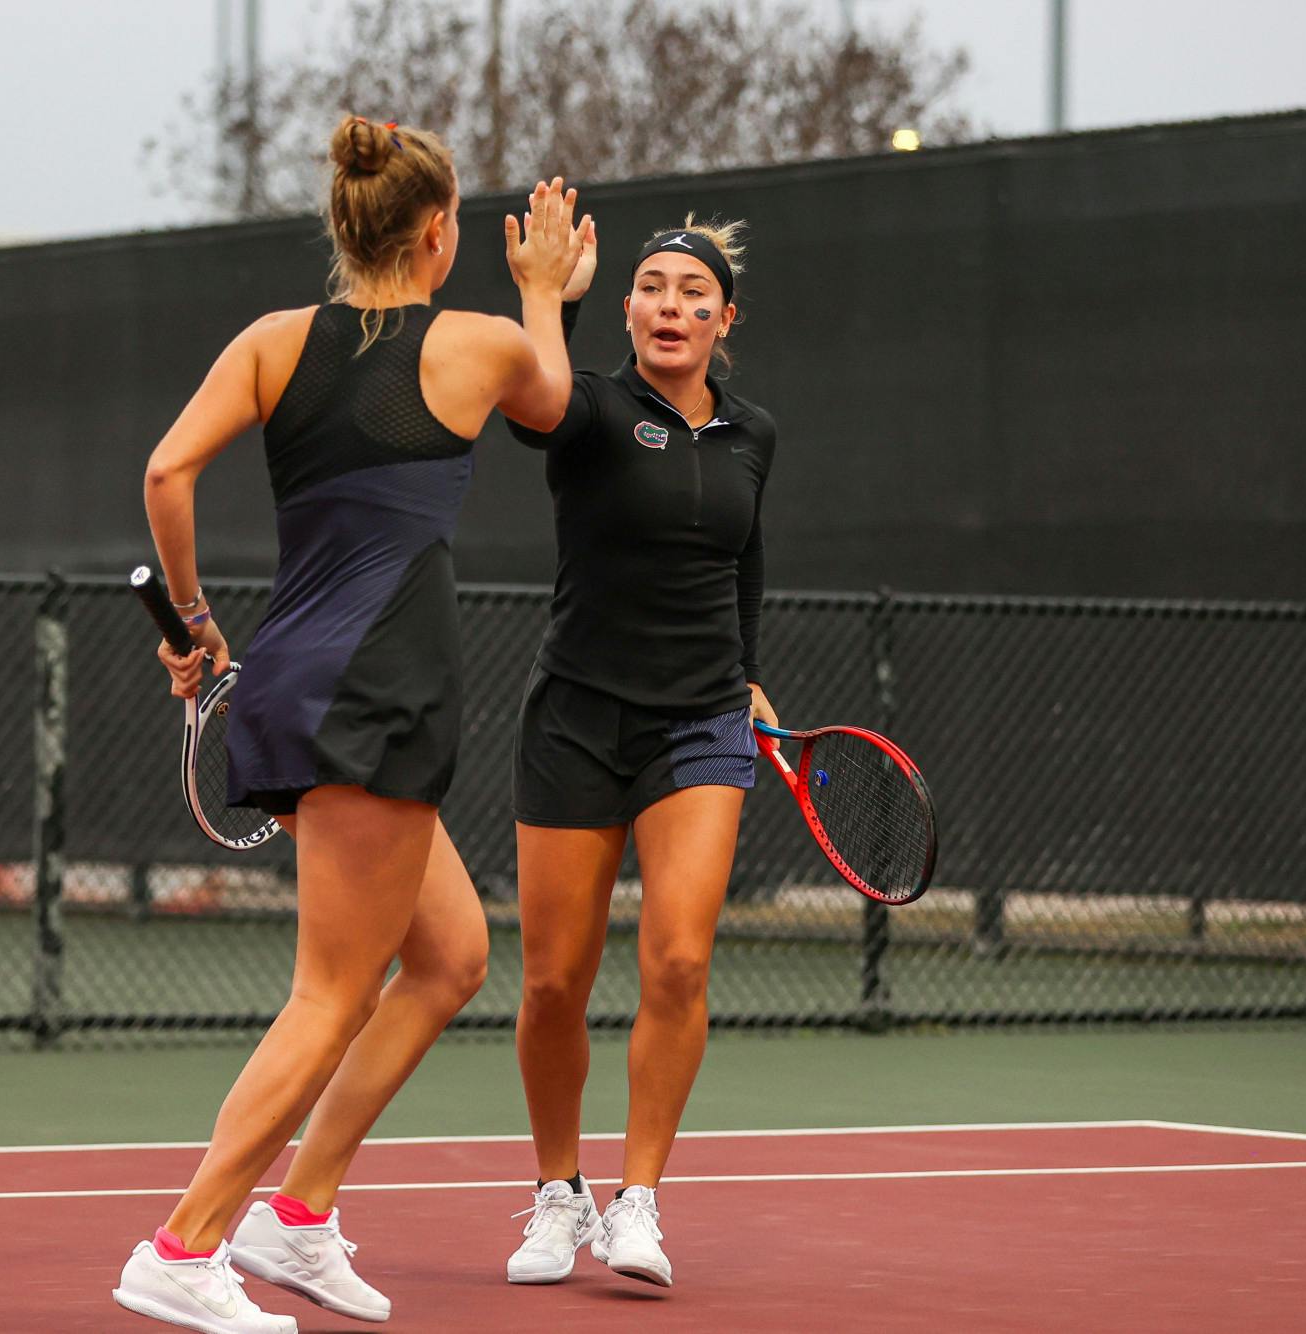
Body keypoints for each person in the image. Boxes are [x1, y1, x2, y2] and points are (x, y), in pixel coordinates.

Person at [112, 116, 587, 1333]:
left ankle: (300, 1212)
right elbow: (553, 403)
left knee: (447, 958)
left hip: (294, 674)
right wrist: (540, 291)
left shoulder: (273, 341)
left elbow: (168, 472)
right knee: (330, 992)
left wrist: (192, 625)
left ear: (343, 225)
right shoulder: (481, 343)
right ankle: (184, 1241)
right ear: (441, 237)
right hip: (377, 690)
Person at [502, 214, 778, 1289]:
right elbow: (532, 412)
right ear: (625, 309)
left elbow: (746, 563)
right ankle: (555, 1193)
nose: (670, 304)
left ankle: (639, 1201)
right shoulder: (592, 408)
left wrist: (748, 670)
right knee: (551, 985)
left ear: (723, 317)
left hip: (699, 721)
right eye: (650, 287)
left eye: (690, 291)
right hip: (573, 717)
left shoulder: (753, 433)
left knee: (676, 958)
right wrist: (546, 297)